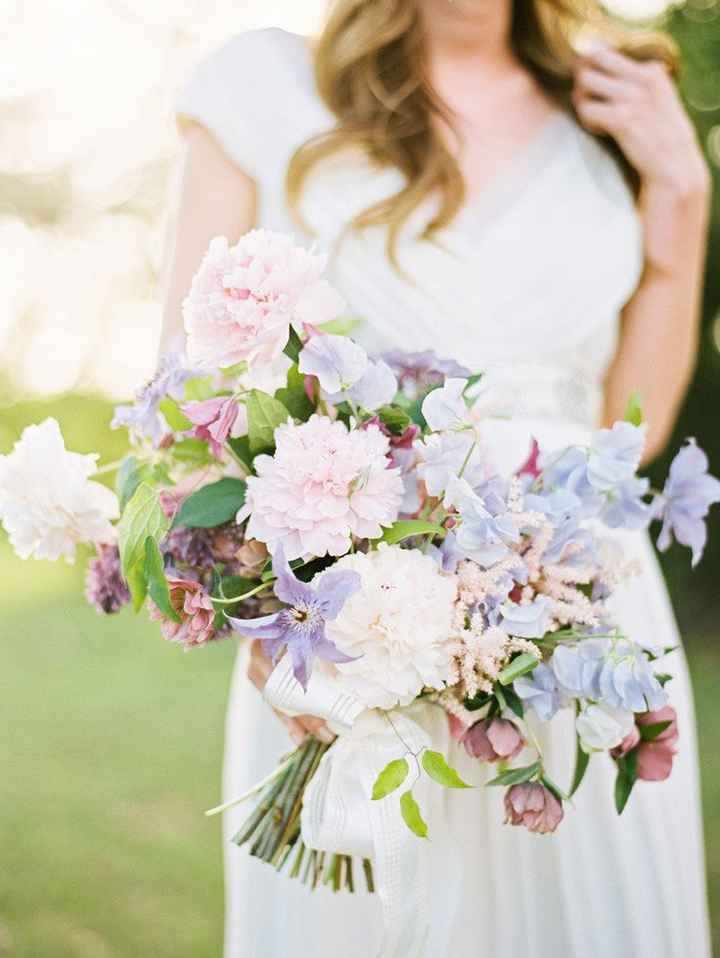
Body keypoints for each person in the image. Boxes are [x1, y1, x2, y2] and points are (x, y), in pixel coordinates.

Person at [161, 1, 712, 954]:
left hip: (576, 602)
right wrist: (261, 594)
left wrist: (683, 192)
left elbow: (636, 425)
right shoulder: (266, 87)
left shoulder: (616, 103)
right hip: (349, 613)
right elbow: (189, 385)